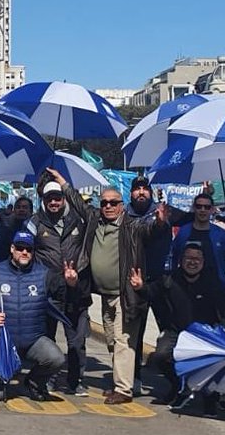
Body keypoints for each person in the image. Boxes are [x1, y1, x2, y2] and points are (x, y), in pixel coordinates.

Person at [51, 168, 168, 405]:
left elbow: (152, 230)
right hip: (105, 295)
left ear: (122, 205)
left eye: (113, 203)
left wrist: (161, 222)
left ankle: (124, 389)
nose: (108, 206)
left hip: (125, 295)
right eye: (104, 202)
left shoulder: (133, 226)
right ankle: (120, 382)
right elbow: (77, 202)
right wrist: (63, 182)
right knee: (113, 341)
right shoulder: (96, 219)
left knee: (124, 340)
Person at [130, 242, 225, 418]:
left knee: (215, 360)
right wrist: (140, 287)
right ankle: (179, 384)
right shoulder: (169, 279)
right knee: (160, 356)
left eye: (196, 259)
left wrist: (217, 333)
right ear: (180, 260)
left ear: (203, 261)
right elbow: (150, 292)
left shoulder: (213, 283)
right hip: (176, 332)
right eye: (188, 258)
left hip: (205, 334)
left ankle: (210, 401)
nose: (192, 262)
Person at [0, 232, 70, 401]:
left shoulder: (45, 274)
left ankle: (33, 382)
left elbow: (63, 296)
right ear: (12, 249)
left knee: (56, 358)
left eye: (29, 249)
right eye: (20, 248)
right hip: (4, 343)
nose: (24, 252)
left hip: (33, 339)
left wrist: (71, 282)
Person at [28, 180, 91, 397]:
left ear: (64, 199)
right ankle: (48, 378)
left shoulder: (79, 221)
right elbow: (24, 250)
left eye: (57, 198)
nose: (54, 202)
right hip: (48, 293)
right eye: (49, 199)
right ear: (43, 201)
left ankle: (75, 381)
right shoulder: (35, 222)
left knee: (76, 342)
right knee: (47, 339)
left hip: (76, 291)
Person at [169, 193, 225, 285]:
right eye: (199, 206)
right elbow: (173, 258)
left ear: (212, 209)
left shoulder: (221, 234)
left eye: (207, 207)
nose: (202, 210)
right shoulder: (183, 232)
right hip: (187, 290)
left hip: (216, 289)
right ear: (194, 208)